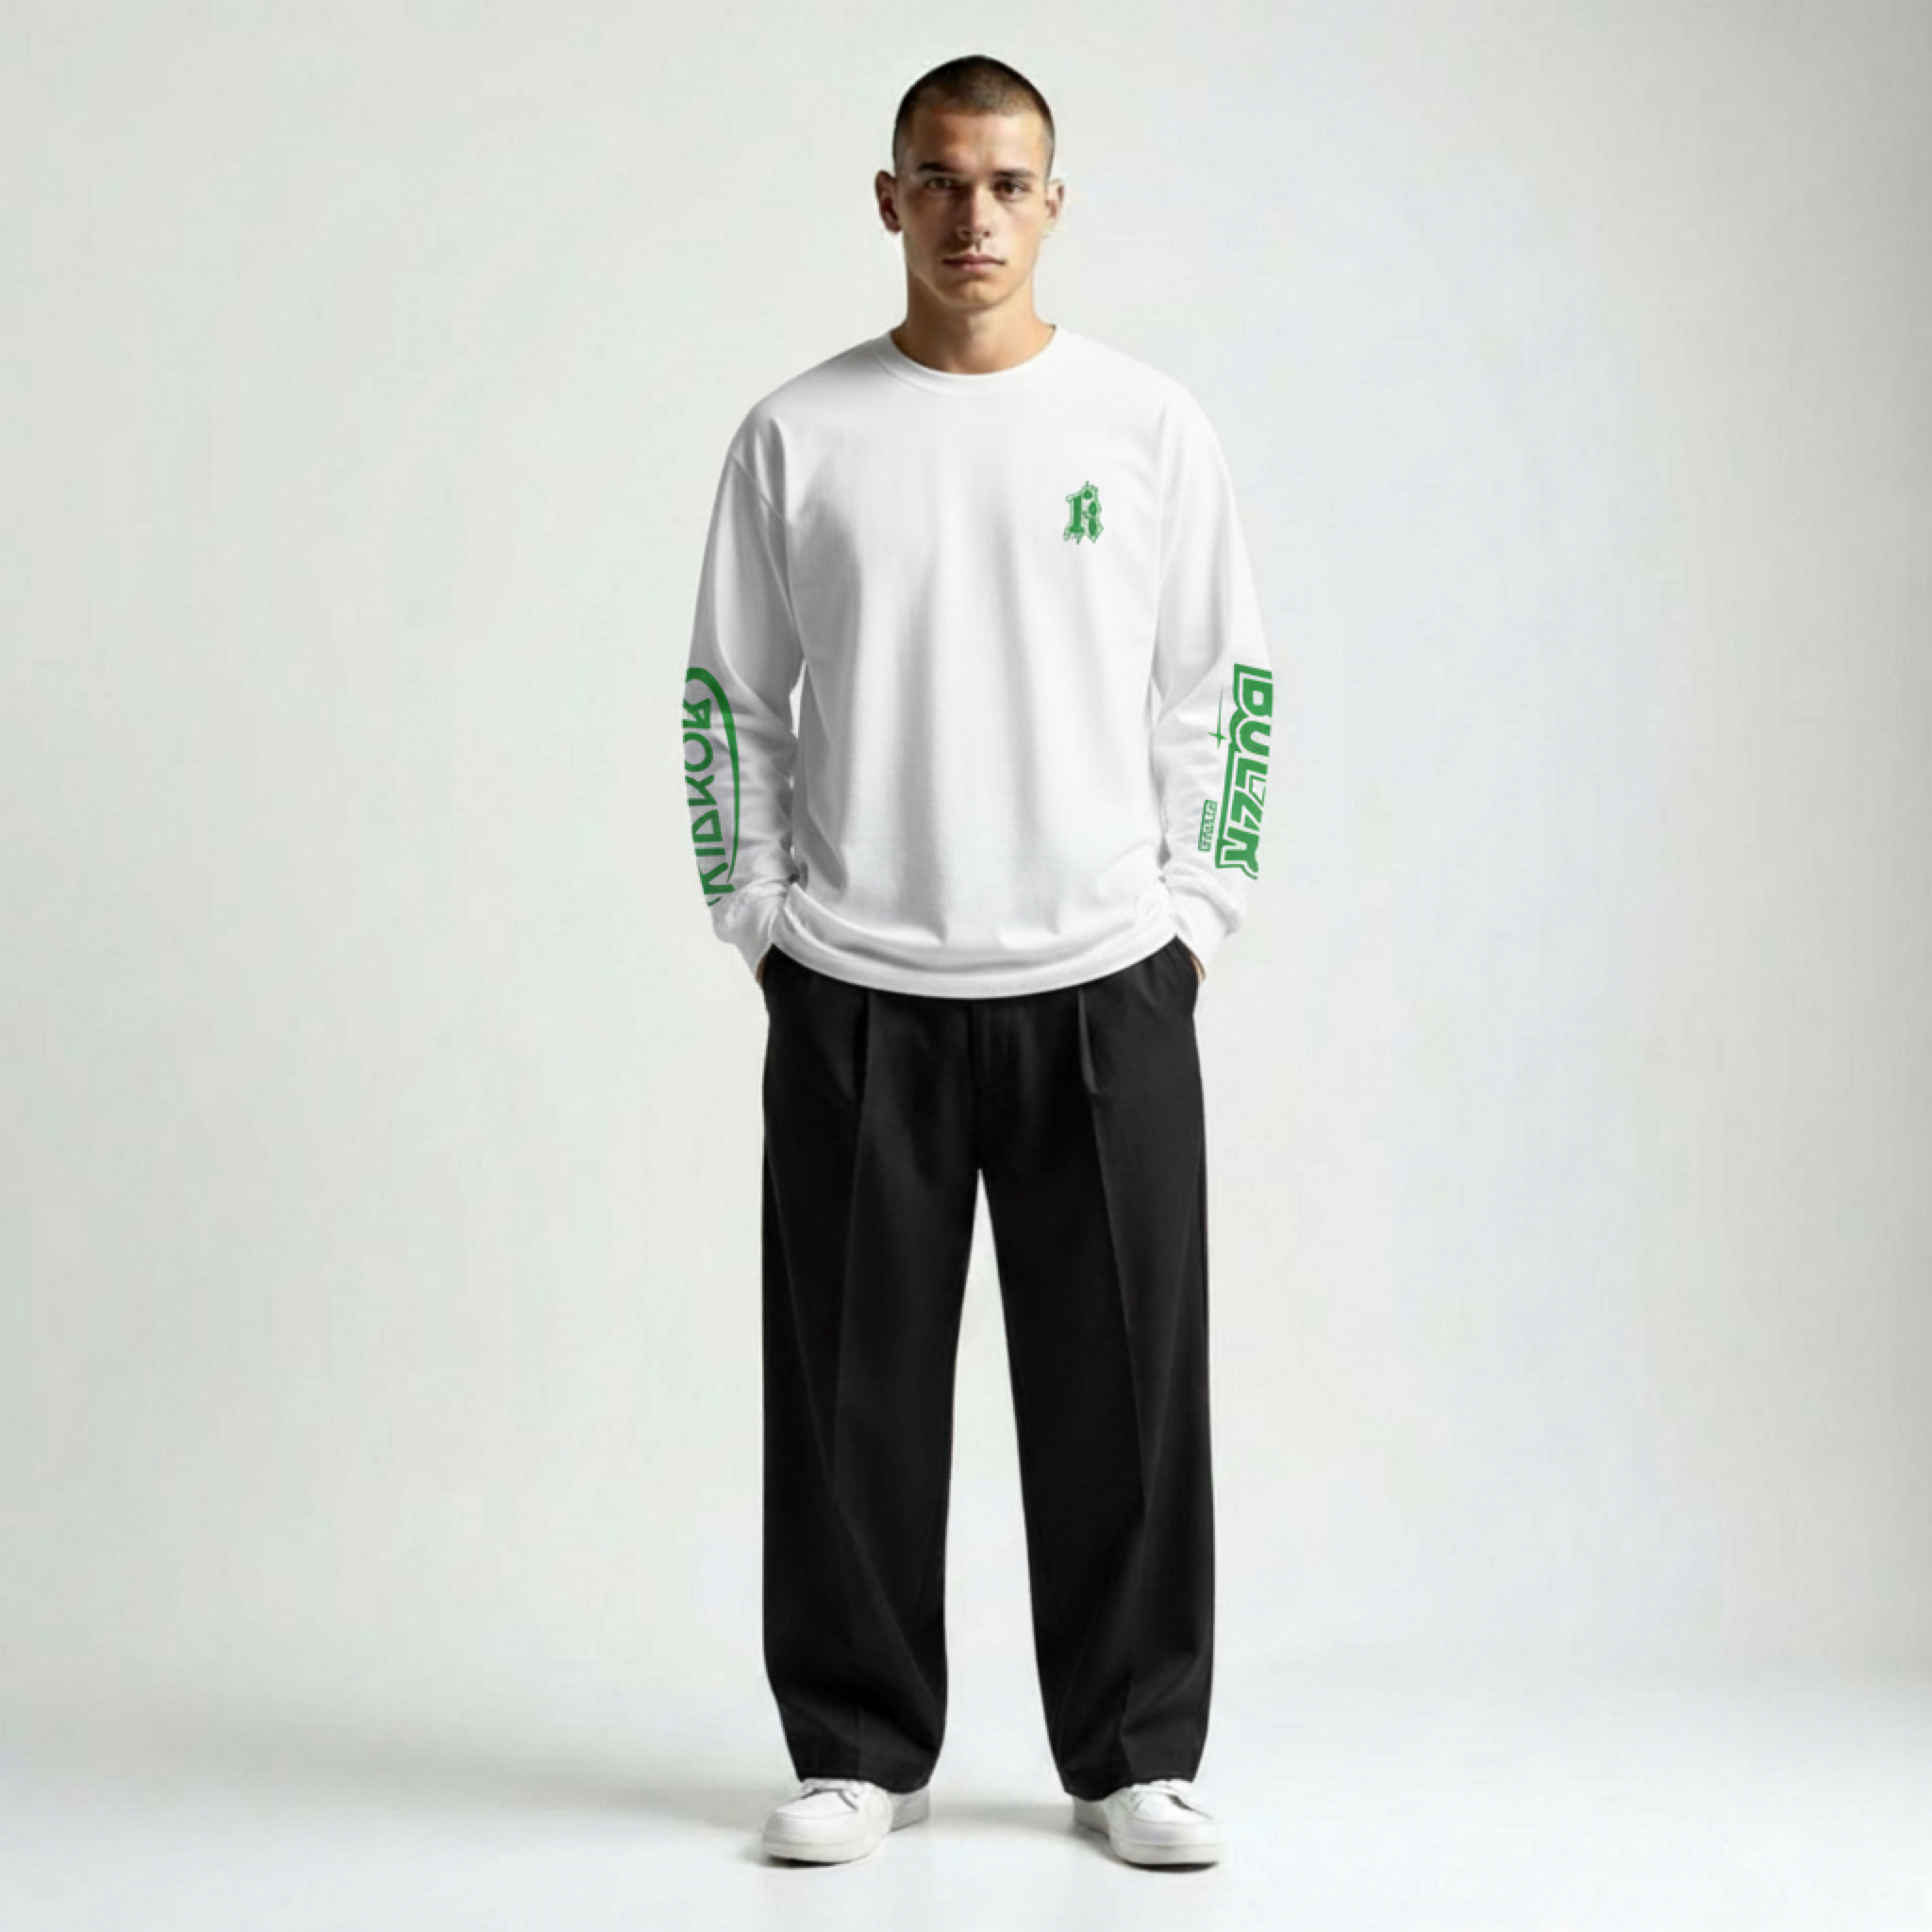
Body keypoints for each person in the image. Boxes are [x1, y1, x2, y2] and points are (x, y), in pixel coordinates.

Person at [679, 53, 1274, 1870]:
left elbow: (1224, 686)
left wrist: (1195, 921)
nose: (973, 217)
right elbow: (728, 701)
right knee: (847, 1397)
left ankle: (1136, 1750)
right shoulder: (798, 436)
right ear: (889, 199)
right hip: (861, 987)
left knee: (1128, 1393)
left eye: (1008, 184)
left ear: (1054, 204)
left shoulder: (1146, 427)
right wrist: (762, 921)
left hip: (1105, 981)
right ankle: (858, 1746)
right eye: (940, 181)